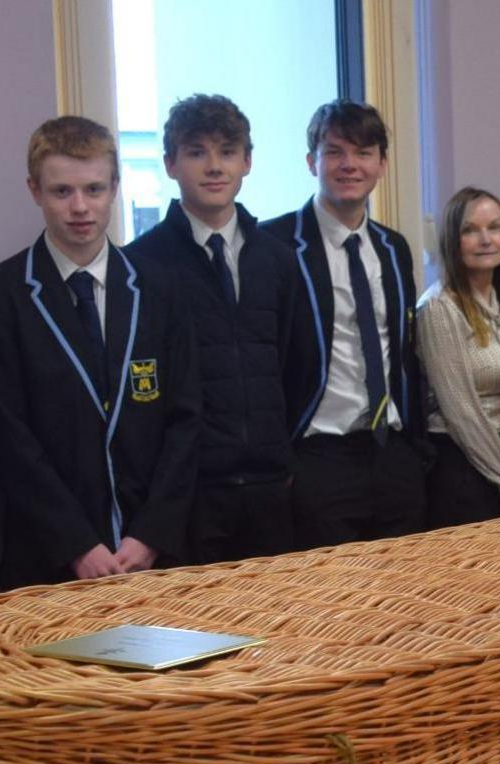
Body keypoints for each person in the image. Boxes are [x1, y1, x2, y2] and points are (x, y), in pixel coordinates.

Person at [0, 115, 200, 589]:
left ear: (116, 187)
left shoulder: (161, 287)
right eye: (62, 192)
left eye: (94, 190)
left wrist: (150, 534)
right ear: (34, 190)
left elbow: (185, 419)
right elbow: (7, 433)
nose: (80, 207)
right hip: (48, 557)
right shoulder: (0, 294)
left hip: (151, 555)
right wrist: (77, 544)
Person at [126, 94, 313, 563]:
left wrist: (282, 457)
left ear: (247, 161)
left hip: (270, 488)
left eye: (227, 151)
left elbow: (296, 365)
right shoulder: (140, 265)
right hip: (187, 495)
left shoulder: (278, 259)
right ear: (170, 163)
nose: (214, 167)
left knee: (277, 628)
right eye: (196, 152)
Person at [260, 100, 429, 547]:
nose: (349, 164)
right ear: (312, 161)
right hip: (316, 458)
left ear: (382, 164)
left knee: (402, 601)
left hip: (391, 454)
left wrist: (414, 450)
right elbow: (264, 365)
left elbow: (405, 352)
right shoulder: (274, 245)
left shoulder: (394, 248)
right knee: (331, 607)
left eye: (364, 152)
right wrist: (283, 464)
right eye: (334, 151)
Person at [417, 187, 500, 525]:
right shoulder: (438, 308)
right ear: (452, 239)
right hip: (466, 470)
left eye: (494, 227)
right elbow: (461, 412)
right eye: (470, 230)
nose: (485, 239)